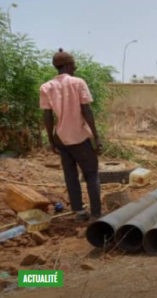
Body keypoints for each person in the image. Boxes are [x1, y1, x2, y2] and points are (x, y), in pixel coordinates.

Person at [40, 48, 102, 223]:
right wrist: (96, 137)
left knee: (70, 175)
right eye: (73, 64)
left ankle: (80, 213)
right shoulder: (78, 83)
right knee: (91, 174)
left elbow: (47, 115)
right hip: (79, 137)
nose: (75, 67)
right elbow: (87, 110)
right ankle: (96, 214)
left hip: (60, 137)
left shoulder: (46, 87)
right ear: (67, 65)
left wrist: (51, 140)